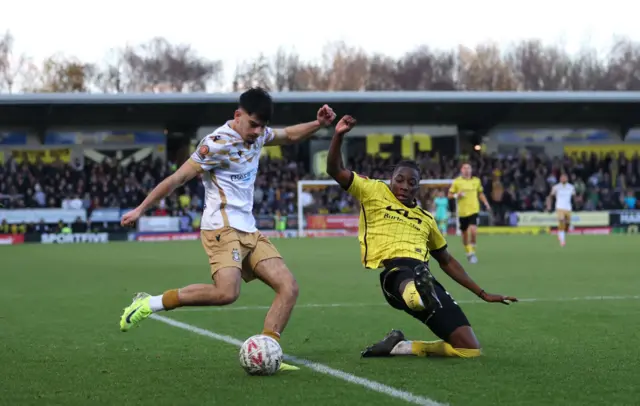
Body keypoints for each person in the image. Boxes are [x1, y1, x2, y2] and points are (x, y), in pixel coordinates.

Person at [118, 88, 336, 359]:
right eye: (253, 124)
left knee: (288, 287)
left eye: (262, 126)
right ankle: (150, 302)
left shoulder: (258, 137)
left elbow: (289, 135)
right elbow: (177, 179)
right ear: (238, 115)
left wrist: (318, 124)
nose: (258, 131)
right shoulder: (216, 144)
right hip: (221, 228)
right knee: (226, 293)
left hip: (249, 229)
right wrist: (140, 209)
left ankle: (266, 350)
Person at [326, 116, 517, 359]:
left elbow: (447, 261)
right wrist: (339, 135)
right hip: (395, 274)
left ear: (418, 187)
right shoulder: (373, 190)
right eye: (400, 180)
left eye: (411, 183)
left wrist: (482, 293)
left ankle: (401, 346)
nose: (405, 186)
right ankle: (419, 295)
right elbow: (334, 169)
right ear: (391, 180)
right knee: (412, 285)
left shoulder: (426, 219)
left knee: (469, 349)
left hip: (425, 276)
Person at [448, 163, 491, 264]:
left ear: (471, 170)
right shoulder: (457, 182)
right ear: (461, 170)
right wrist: (456, 195)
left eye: (468, 168)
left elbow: (480, 193)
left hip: (474, 210)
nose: (466, 170)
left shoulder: (476, 181)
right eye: (464, 168)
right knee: (465, 234)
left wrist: (486, 203)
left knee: (473, 231)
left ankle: (472, 252)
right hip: (462, 212)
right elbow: (449, 195)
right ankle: (469, 253)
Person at [546, 173, 575, 247]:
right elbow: (550, 197)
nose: (563, 179)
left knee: (567, 225)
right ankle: (562, 241)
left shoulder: (571, 187)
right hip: (559, 207)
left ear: (567, 179)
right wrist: (549, 206)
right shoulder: (556, 187)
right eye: (562, 178)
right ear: (560, 179)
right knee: (561, 221)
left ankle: (560, 233)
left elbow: (574, 197)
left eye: (565, 178)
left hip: (568, 208)